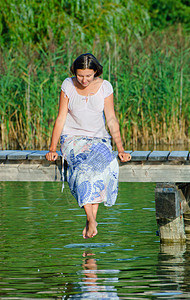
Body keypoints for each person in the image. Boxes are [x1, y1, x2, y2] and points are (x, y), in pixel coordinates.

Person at [46, 53, 131, 239]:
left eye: (88, 76)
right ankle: (91, 219)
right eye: (80, 75)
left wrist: (121, 149)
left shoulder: (105, 87)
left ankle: (90, 219)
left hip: (99, 139)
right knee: (83, 168)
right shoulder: (67, 85)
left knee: (102, 165)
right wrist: (52, 148)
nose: (84, 80)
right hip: (72, 139)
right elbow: (61, 117)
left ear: (96, 72)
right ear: (74, 73)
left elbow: (111, 119)